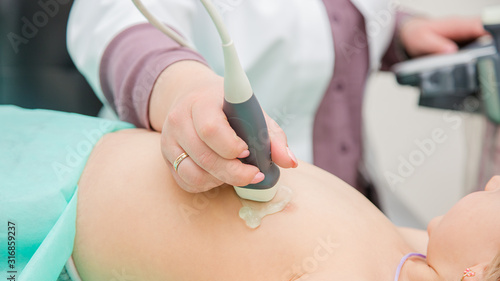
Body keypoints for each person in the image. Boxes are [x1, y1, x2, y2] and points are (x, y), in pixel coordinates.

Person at [1, 107, 499, 281]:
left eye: (492, 195)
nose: (488, 184)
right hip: (62, 148)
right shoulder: (411, 261)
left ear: (478, 277)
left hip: (37, 225)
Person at [67, 0, 488, 197]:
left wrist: (399, 33)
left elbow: (329, 19)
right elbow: (117, 23)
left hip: (351, 197)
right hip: (223, 201)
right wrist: (183, 88)